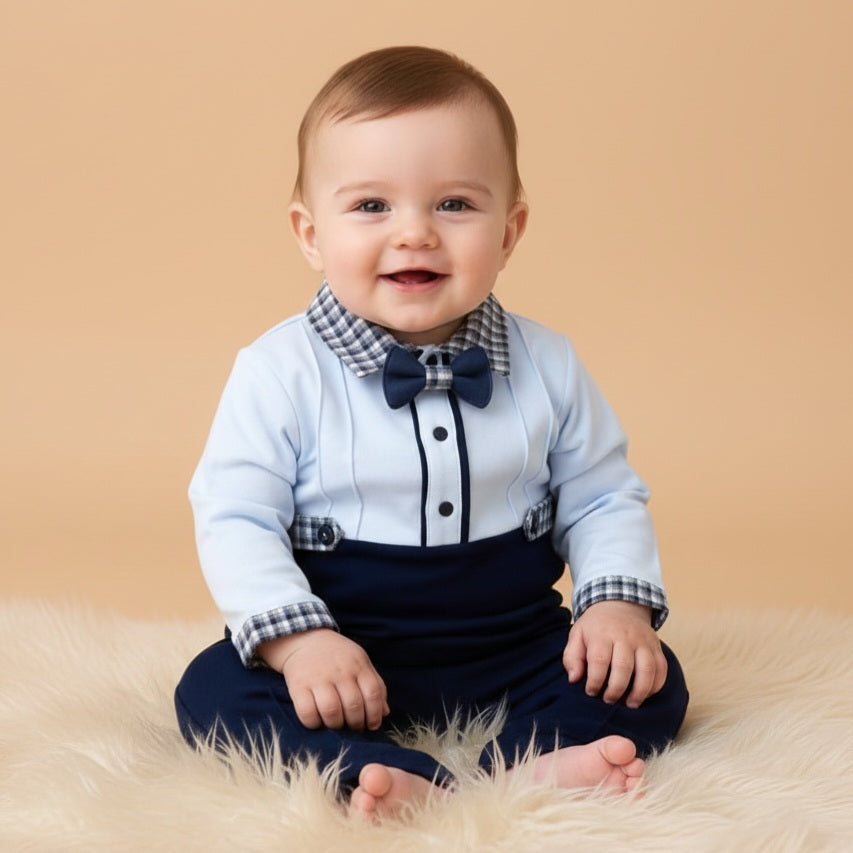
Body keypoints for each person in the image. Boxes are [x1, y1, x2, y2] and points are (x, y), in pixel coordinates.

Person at [174, 45, 688, 819]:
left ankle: (530, 761)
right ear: (309, 233)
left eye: (453, 204)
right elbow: (235, 514)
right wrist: (300, 641)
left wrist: (613, 606)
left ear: (509, 230)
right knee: (211, 689)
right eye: (371, 206)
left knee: (652, 676)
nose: (414, 233)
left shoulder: (547, 361)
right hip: (344, 643)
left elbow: (601, 493)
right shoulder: (278, 369)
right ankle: (372, 766)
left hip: (513, 641)